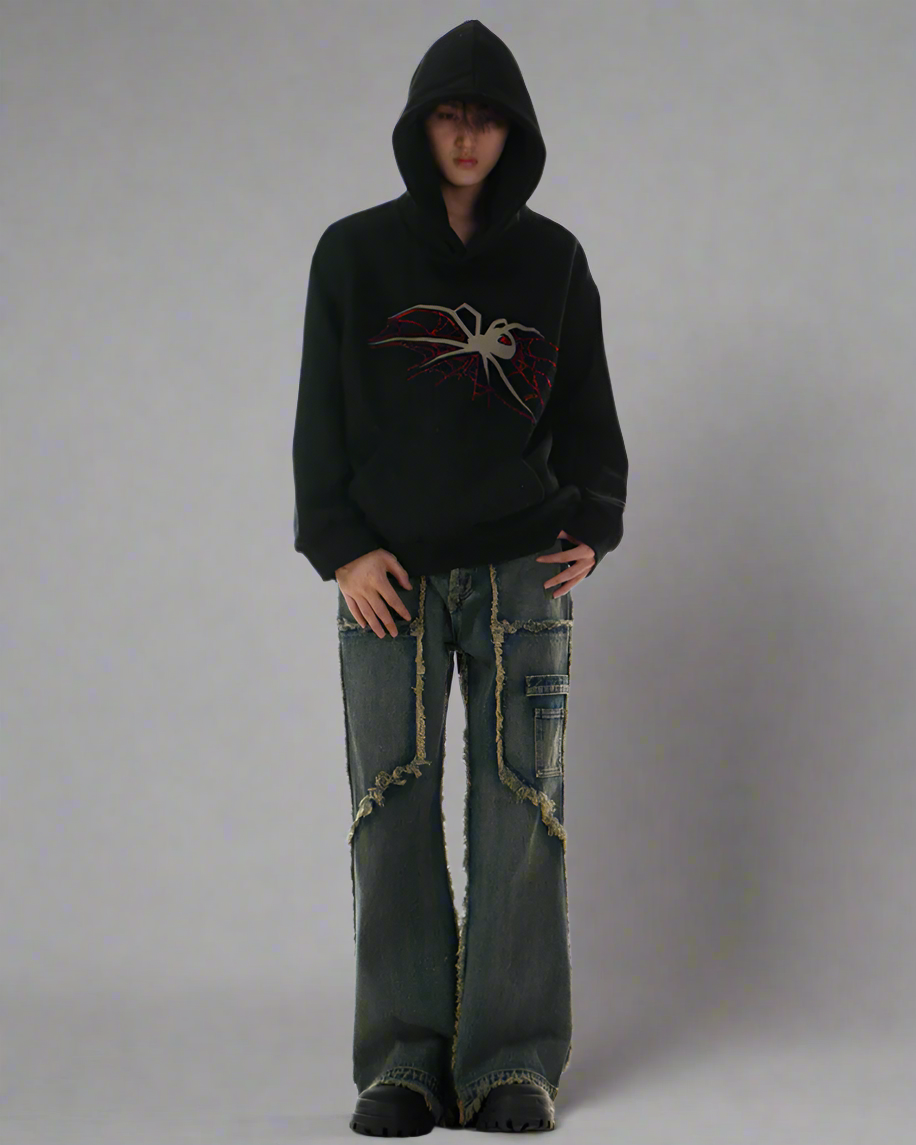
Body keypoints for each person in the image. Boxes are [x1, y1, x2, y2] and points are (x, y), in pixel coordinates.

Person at [292, 19, 628, 1136]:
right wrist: (339, 544)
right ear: (421, 126)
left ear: (514, 131)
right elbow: (318, 415)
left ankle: (510, 1059)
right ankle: (403, 1060)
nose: (469, 136)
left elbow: (588, 410)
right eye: (451, 115)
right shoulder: (352, 255)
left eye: (487, 118)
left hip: (523, 574)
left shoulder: (555, 260)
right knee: (389, 806)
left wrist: (596, 521)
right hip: (388, 578)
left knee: (523, 804)